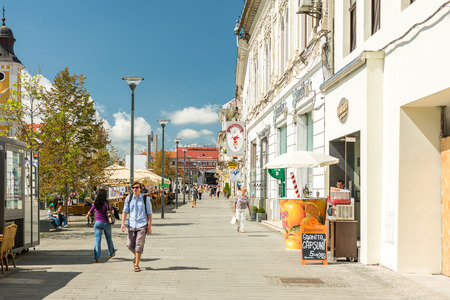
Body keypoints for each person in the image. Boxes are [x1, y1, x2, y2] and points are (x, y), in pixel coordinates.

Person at [121, 181, 153, 272]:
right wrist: (122, 223)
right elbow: (125, 211)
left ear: (140, 189)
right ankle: (137, 255)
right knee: (130, 245)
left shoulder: (145, 199)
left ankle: (137, 265)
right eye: (133, 187)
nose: (135, 189)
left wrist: (149, 226)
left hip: (142, 224)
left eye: (137, 187)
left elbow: (149, 213)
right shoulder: (129, 198)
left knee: (139, 245)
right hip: (131, 224)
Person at [86, 189, 116, 263]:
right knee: (109, 239)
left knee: (97, 240)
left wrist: (87, 216)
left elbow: (90, 211)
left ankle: (97, 257)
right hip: (106, 223)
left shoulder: (95, 203)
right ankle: (111, 253)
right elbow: (112, 211)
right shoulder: (107, 203)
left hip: (98, 223)